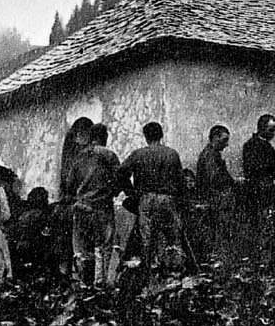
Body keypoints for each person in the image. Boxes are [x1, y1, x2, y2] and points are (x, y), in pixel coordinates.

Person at [118, 122, 185, 276]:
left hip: (146, 199)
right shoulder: (172, 154)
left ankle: (147, 274)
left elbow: (121, 173)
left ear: (146, 137)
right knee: (172, 237)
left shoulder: (138, 154)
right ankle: (173, 273)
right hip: (168, 199)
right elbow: (180, 181)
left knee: (147, 239)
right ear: (161, 135)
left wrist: (131, 193)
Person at [65, 122, 121, 285]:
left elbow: (70, 184)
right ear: (104, 137)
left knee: (82, 248)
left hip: (81, 206)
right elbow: (118, 179)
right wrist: (112, 192)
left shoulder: (79, 156)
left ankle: (84, 283)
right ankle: (99, 284)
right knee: (102, 247)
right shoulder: (109, 155)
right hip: (101, 207)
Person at [196, 125, 238, 262]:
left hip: (216, 202)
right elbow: (214, 179)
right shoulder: (210, 156)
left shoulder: (212, 154)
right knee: (218, 236)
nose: (227, 144)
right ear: (215, 137)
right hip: (216, 203)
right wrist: (233, 182)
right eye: (224, 140)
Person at [242, 114, 275, 221]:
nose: (273, 133)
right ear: (261, 128)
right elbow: (254, 170)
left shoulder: (266, 144)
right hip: (261, 196)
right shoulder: (251, 146)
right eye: (271, 130)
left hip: (272, 194)